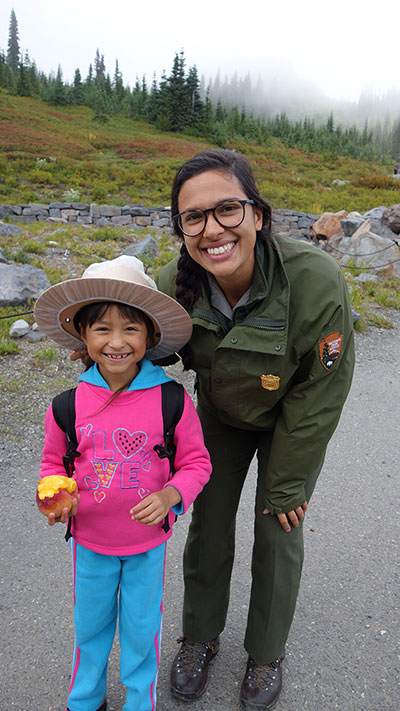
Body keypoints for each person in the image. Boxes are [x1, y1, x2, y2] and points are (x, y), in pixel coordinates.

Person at [154, 149, 355, 710]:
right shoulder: (174, 283)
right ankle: (199, 638)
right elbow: (140, 350)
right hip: (220, 414)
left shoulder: (315, 280)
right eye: (193, 217)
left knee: (279, 524)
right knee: (208, 524)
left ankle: (266, 652)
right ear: (182, 227)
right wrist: (98, 359)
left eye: (228, 210)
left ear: (258, 214)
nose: (212, 229)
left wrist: (289, 481)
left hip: (290, 414)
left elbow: (323, 387)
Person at [34, 255, 212, 711]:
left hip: (146, 547)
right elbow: (53, 465)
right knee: (89, 626)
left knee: (139, 628)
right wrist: (56, 497)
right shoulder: (67, 405)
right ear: (82, 335)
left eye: (130, 328)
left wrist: (172, 493)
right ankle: (85, 697)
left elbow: (196, 464)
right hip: (90, 543)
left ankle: (139, 700)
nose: (116, 342)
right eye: (102, 329)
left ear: (151, 335)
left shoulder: (170, 399)